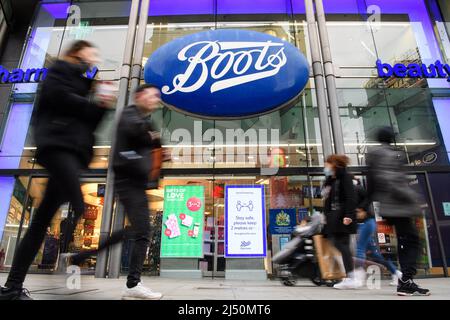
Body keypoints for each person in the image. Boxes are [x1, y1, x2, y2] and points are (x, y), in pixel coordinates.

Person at [0, 40, 114, 300]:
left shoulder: (84, 84)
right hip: (58, 146)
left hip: (72, 152)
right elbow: (58, 98)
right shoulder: (59, 71)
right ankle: (74, 254)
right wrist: (91, 101)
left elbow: (90, 121)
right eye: (91, 52)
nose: (94, 57)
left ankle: (13, 287)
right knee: (79, 204)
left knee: (41, 222)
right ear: (77, 52)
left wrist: (102, 106)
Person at [68, 84, 165, 300]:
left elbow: (150, 145)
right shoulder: (129, 115)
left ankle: (84, 255)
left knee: (139, 230)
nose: (155, 100)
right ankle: (132, 284)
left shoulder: (145, 120)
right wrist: (152, 139)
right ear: (139, 96)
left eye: (157, 97)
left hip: (136, 183)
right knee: (143, 232)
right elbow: (134, 137)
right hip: (127, 181)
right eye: (152, 95)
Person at [366, 126, 430, 296]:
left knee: (405, 241)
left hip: (388, 207)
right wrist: (414, 198)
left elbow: (372, 182)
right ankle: (406, 280)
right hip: (399, 206)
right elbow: (393, 181)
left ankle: (405, 281)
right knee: (414, 241)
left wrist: (368, 203)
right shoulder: (391, 155)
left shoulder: (373, 156)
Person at [352, 177, 402, 286]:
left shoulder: (357, 188)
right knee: (375, 254)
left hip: (365, 223)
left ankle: (358, 277)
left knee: (360, 248)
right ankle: (396, 273)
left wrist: (361, 209)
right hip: (365, 223)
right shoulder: (354, 190)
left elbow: (369, 198)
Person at [321, 155, 359, 289]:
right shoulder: (332, 180)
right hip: (334, 218)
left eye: (327, 164)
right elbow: (328, 200)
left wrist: (349, 215)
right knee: (339, 244)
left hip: (343, 217)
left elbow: (350, 197)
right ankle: (351, 275)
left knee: (341, 244)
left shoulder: (345, 178)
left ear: (334, 164)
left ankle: (352, 276)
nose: (325, 167)